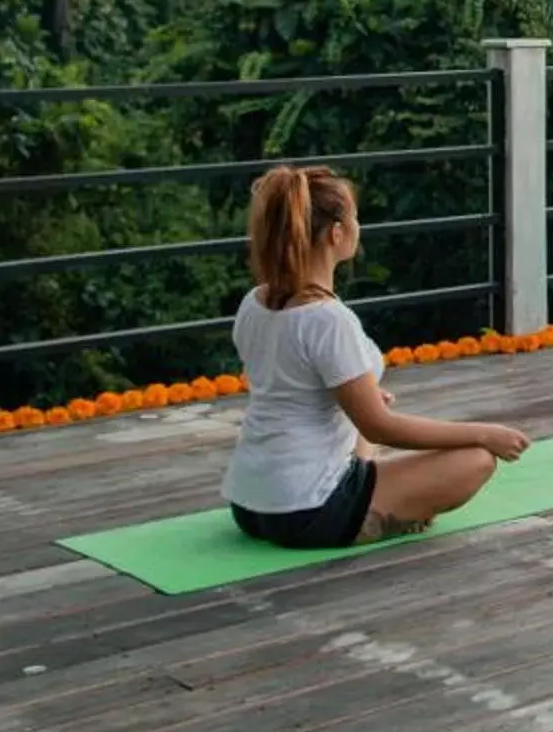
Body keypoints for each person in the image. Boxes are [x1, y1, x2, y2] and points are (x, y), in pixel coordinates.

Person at [222, 164, 529, 548]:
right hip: (308, 510)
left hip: (251, 502)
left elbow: (288, 384)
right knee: (477, 459)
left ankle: (381, 501)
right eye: (354, 218)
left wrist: (360, 404)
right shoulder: (327, 320)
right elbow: (379, 428)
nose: (357, 226)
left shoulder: (255, 301)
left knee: (365, 424)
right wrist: (485, 432)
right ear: (337, 234)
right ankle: (376, 518)